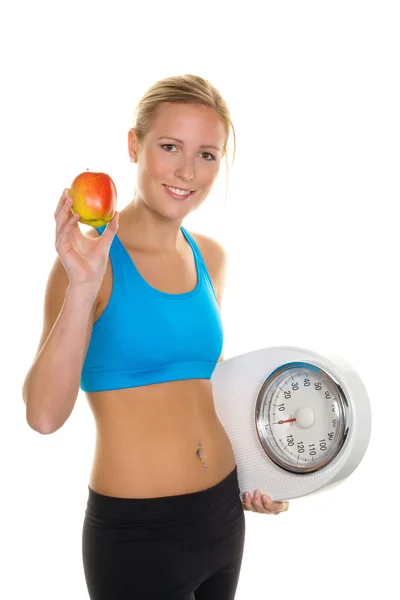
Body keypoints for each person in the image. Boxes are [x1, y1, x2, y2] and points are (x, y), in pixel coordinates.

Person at [22, 74, 289, 600]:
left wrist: (262, 474)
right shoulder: (90, 265)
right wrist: (82, 285)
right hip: (137, 538)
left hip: (223, 514)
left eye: (207, 154)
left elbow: (202, 392)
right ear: (133, 146)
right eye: (170, 147)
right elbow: (44, 416)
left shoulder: (210, 256)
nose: (188, 171)